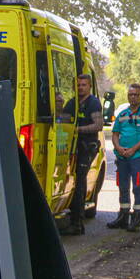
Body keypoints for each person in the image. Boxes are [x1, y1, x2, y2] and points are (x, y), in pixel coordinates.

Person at [110, 83, 140, 231]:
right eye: (131, 94)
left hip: (137, 156)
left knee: (138, 187)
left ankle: (136, 219)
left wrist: (133, 149)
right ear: (127, 95)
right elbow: (115, 134)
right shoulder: (122, 114)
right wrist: (118, 147)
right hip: (122, 156)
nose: (133, 97)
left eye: (136, 94)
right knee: (123, 186)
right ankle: (123, 217)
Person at [59, 73, 104, 236]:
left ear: (89, 86)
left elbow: (98, 125)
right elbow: (63, 120)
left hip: (87, 146)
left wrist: (77, 130)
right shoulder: (72, 103)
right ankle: (73, 216)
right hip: (72, 147)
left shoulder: (93, 103)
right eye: (78, 85)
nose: (80, 88)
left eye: (83, 85)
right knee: (72, 180)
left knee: (80, 181)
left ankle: (77, 222)